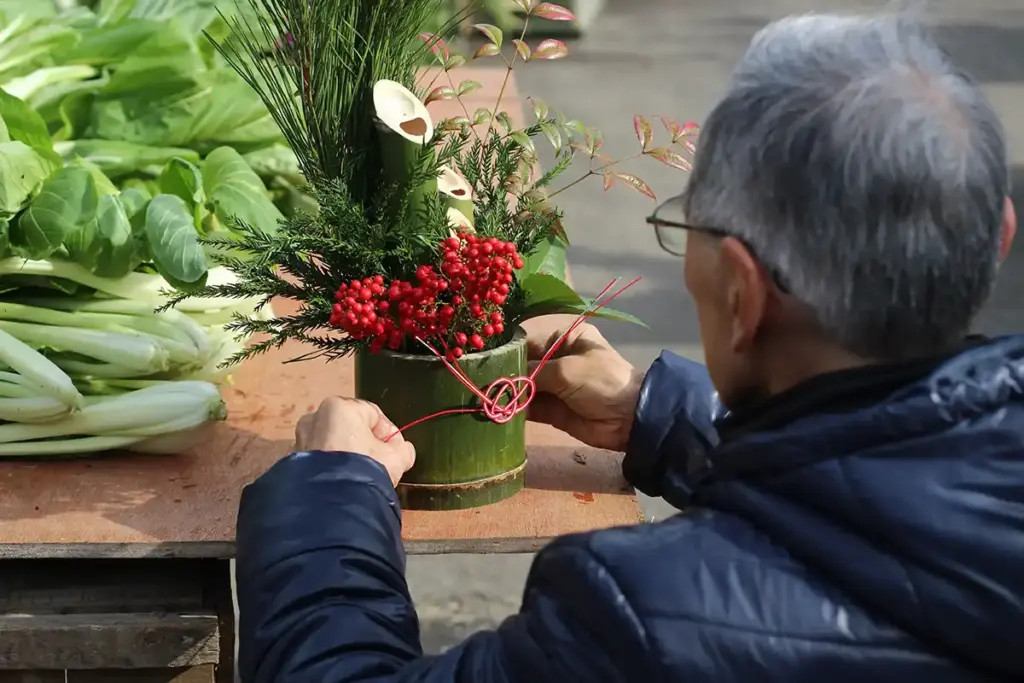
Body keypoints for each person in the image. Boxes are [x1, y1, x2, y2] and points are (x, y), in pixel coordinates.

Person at [234, 11, 1024, 683]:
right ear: (998, 239)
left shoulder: (642, 619)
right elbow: (892, 527)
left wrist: (329, 499)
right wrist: (673, 418)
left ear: (741, 293)